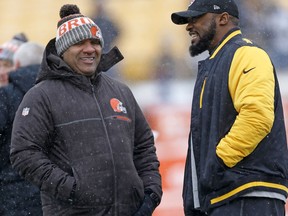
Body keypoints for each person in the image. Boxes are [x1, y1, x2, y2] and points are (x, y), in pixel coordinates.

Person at [10, 4, 162, 216]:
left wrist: (150, 193)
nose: (90, 49)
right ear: (63, 50)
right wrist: (71, 189)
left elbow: (144, 147)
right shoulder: (41, 96)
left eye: (95, 42)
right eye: (79, 43)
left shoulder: (121, 91)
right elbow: (23, 153)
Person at [171, 0, 288, 215]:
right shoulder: (217, 61)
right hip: (226, 195)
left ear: (223, 18)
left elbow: (257, 117)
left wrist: (218, 162)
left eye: (196, 18)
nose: (188, 25)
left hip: (246, 194)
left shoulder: (247, 54)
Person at [0, 42, 44, 215]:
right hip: (53, 193)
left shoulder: (6, 96)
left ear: (16, 66)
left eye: (7, 65)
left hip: (13, 195)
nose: (3, 72)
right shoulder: (61, 92)